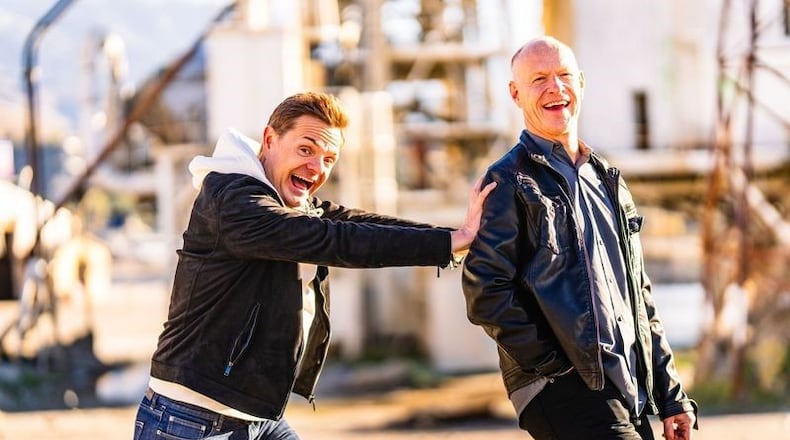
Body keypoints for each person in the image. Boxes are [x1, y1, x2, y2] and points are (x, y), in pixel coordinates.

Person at [133, 91, 495, 439]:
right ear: (269, 140)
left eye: (327, 159)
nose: (316, 167)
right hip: (191, 418)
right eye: (305, 149)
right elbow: (333, 240)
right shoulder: (234, 202)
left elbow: (353, 223)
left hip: (252, 416)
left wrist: (455, 238)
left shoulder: (290, 203)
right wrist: (448, 243)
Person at [461, 37, 698, 440]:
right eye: (539, 79)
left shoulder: (606, 178)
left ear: (582, 84)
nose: (555, 88)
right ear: (515, 94)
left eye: (564, 75)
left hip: (626, 386)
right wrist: (555, 366)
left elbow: (637, 296)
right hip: (562, 386)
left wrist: (670, 394)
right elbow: (485, 291)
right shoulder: (507, 182)